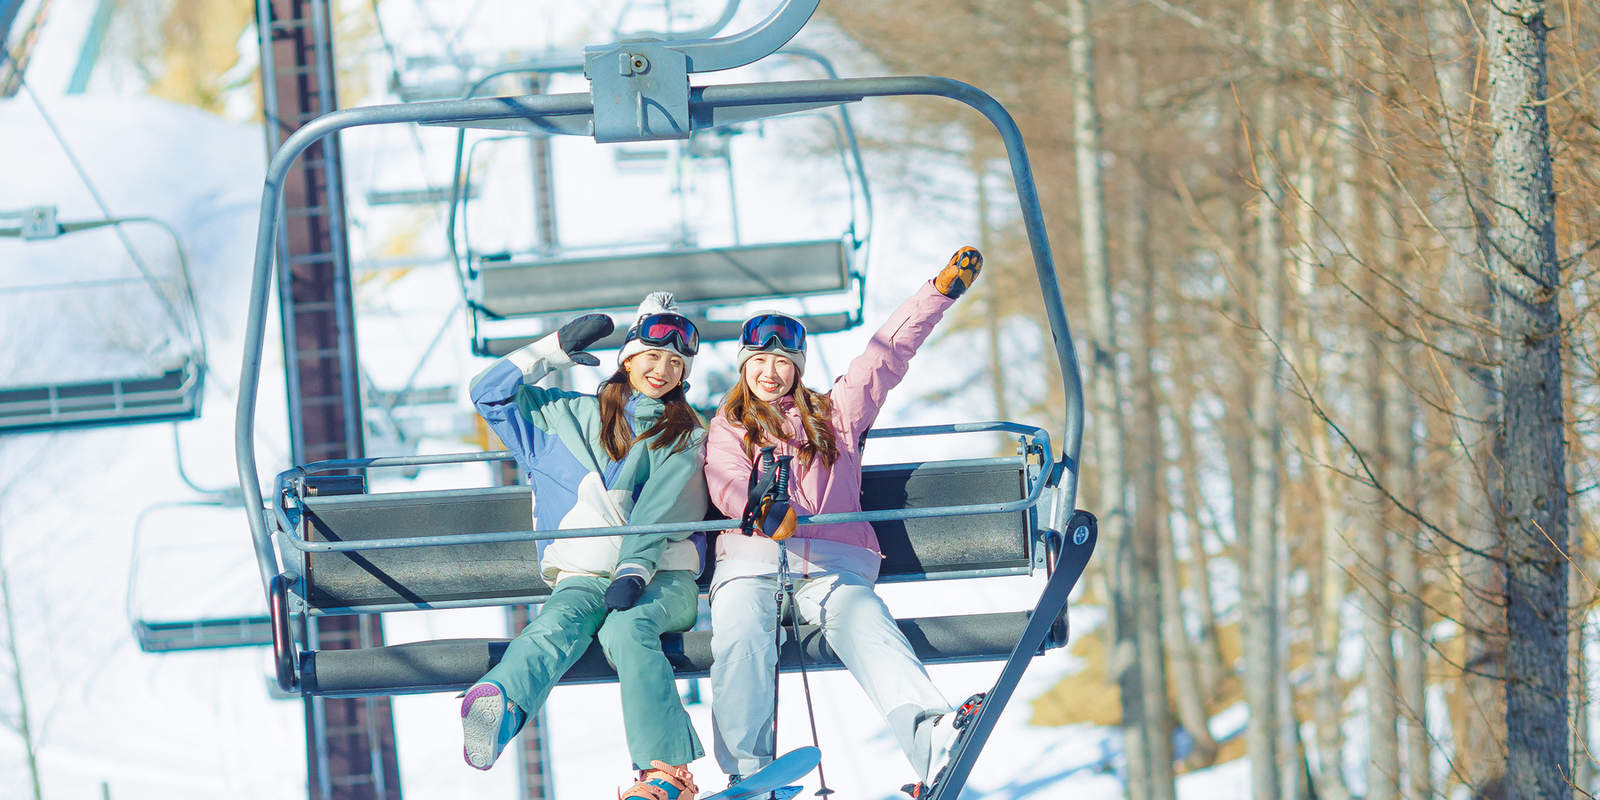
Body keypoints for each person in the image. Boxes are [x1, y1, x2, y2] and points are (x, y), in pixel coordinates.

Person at [702, 247, 987, 797]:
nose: (770, 371)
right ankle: (748, 771)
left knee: (865, 620)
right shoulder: (728, 426)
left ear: (798, 367)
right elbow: (726, 479)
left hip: (831, 566)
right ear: (743, 366)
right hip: (754, 562)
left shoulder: (837, 416)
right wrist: (758, 508)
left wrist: (938, 292)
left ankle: (933, 738)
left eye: (783, 362)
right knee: (740, 630)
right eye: (759, 361)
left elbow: (885, 355)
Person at [461, 292, 708, 800]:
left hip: (661, 579)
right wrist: (550, 351)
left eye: (676, 363)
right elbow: (488, 393)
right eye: (653, 355)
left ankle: (664, 774)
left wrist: (634, 570)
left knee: (628, 630)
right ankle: (500, 705)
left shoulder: (685, 434)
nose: (663, 370)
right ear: (628, 359)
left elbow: (663, 510)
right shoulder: (560, 416)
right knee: (556, 625)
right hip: (581, 578)